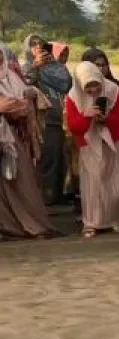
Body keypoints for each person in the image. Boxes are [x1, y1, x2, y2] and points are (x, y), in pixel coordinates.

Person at [65, 61, 119, 237]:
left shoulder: (113, 89)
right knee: (93, 183)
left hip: (116, 139)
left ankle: (115, 219)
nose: (94, 90)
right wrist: (86, 116)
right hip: (89, 142)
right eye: (88, 87)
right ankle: (91, 222)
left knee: (116, 181)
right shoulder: (73, 96)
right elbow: (74, 126)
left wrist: (105, 119)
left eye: (96, 84)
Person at [0, 45, 58, 239]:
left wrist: (16, 105)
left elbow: (23, 104)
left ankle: (28, 224)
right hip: (5, 137)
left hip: (15, 139)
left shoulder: (12, 78)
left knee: (21, 182)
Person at [22, 34, 72, 206]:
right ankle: (45, 198)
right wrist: (35, 67)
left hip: (60, 119)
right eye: (33, 45)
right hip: (39, 120)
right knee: (45, 159)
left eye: (41, 45)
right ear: (27, 48)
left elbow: (65, 84)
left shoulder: (57, 67)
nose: (38, 48)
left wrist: (44, 69)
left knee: (60, 159)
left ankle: (58, 195)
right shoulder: (25, 67)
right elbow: (23, 85)